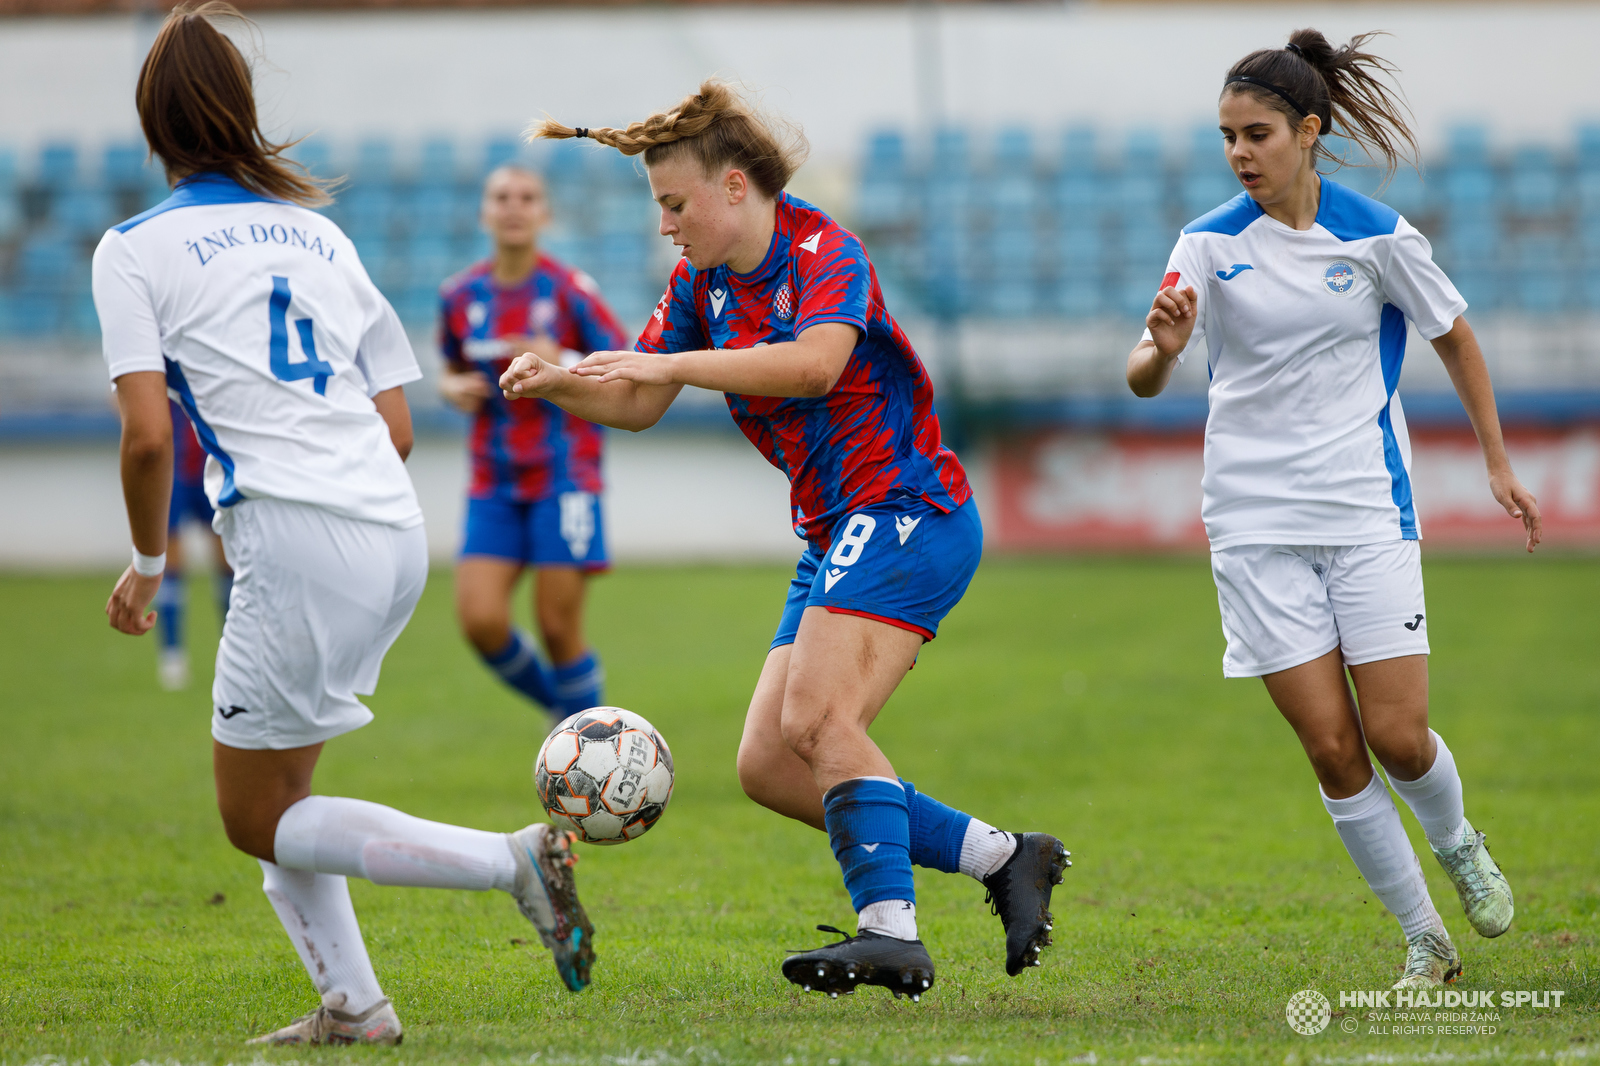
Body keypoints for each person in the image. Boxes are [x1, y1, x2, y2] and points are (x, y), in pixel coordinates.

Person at [497, 81, 1070, 1000]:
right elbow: (639, 402)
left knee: (817, 721)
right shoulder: (701, 283)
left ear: (733, 188)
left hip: (907, 510)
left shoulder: (823, 250)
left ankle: (891, 933)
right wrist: (557, 382)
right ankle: (1006, 858)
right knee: (767, 762)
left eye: (674, 205)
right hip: (838, 530)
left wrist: (670, 361)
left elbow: (814, 366)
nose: (666, 227)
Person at [94, 4, 594, 1046]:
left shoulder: (133, 247)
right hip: (391, 525)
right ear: (242, 112)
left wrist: (148, 562)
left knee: (253, 815)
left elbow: (147, 438)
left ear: (154, 123)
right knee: (284, 794)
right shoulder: (317, 232)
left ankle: (513, 862)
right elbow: (398, 423)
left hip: (296, 537)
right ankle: (355, 1006)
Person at [1125, 29, 1538, 990]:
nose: (1239, 154)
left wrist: (1496, 461)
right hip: (1253, 526)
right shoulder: (1207, 241)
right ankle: (1426, 941)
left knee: (1398, 737)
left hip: (1365, 514)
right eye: (1227, 137)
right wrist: (1164, 346)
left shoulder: (1379, 237)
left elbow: (1457, 339)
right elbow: (1143, 378)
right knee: (1331, 747)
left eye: (1257, 133)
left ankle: (1459, 840)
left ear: (1308, 132)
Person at [438, 165, 626, 727]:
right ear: (484, 213)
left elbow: (624, 363)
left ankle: (591, 757)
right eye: (501, 197)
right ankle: (570, 717)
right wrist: (450, 387)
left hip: (564, 473)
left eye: (527, 198)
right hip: (493, 478)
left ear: (544, 213)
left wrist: (560, 359)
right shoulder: (460, 295)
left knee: (557, 626)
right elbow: (452, 367)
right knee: (480, 620)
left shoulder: (569, 290)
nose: (514, 207)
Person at [152, 400, 234, 691]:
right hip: (172, 470)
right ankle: (172, 656)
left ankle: (234, 652)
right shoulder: (160, 359)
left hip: (213, 466)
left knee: (229, 562)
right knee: (170, 562)